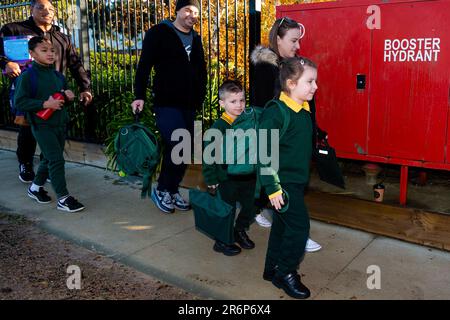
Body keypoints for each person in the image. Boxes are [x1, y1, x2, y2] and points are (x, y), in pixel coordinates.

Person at [250, 17, 322, 253]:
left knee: (288, 191)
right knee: (287, 190)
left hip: (292, 139)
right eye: (293, 41)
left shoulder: (291, 67)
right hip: (280, 141)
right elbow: (265, 109)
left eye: (299, 41)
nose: (298, 46)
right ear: (277, 39)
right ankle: (298, 234)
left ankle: (273, 218)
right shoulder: (266, 68)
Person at [0, 0, 92, 184]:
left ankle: (47, 165)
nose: (46, 11)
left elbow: (75, 63)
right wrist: (5, 63)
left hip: (55, 92)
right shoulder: (14, 29)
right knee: (27, 129)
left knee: (54, 130)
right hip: (29, 90)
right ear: (31, 9)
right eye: (41, 7)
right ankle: (25, 163)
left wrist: (85, 87)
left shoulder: (61, 37)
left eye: (51, 8)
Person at [131, 0, 207, 214]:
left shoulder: (196, 37)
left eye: (195, 12)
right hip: (166, 101)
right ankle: (162, 189)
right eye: (188, 10)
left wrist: (199, 96)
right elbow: (144, 64)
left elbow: (201, 70)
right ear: (177, 11)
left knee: (185, 148)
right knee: (176, 141)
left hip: (189, 103)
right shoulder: (159, 32)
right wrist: (139, 95)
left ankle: (172, 189)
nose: (192, 15)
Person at [258, 56, 318, 299]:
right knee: (299, 227)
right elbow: (264, 152)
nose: (315, 87)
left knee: (282, 227)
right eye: (310, 81)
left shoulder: (303, 108)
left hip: (296, 181)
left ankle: (272, 268)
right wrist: (272, 188)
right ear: (291, 84)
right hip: (281, 184)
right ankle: (286, 272)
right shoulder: (276, 112)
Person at [14, 36, 84, 213]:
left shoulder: (58, 76)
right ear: (32, 53)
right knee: (56, 159)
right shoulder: (27, 76)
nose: (50, 53)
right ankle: (63, 198)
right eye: (44, 50)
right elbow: (19, 102)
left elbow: (61, 101)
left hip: (60, 124)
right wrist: (45, 104)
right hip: (41, 125)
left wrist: (68, 97)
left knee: (48, 158)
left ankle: (35, 188)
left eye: (52, 50)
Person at [202, 80, 257, 256]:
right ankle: (222, 240)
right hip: (226, 178)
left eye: (242, 100)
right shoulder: (218, 127)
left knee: (251, 207)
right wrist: (211, 179)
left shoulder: (249, 122)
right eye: (233, 101)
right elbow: (209, 156)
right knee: (227, 210)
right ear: (222, 103)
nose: (239, 105)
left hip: (248, 176)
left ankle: (239, 230)